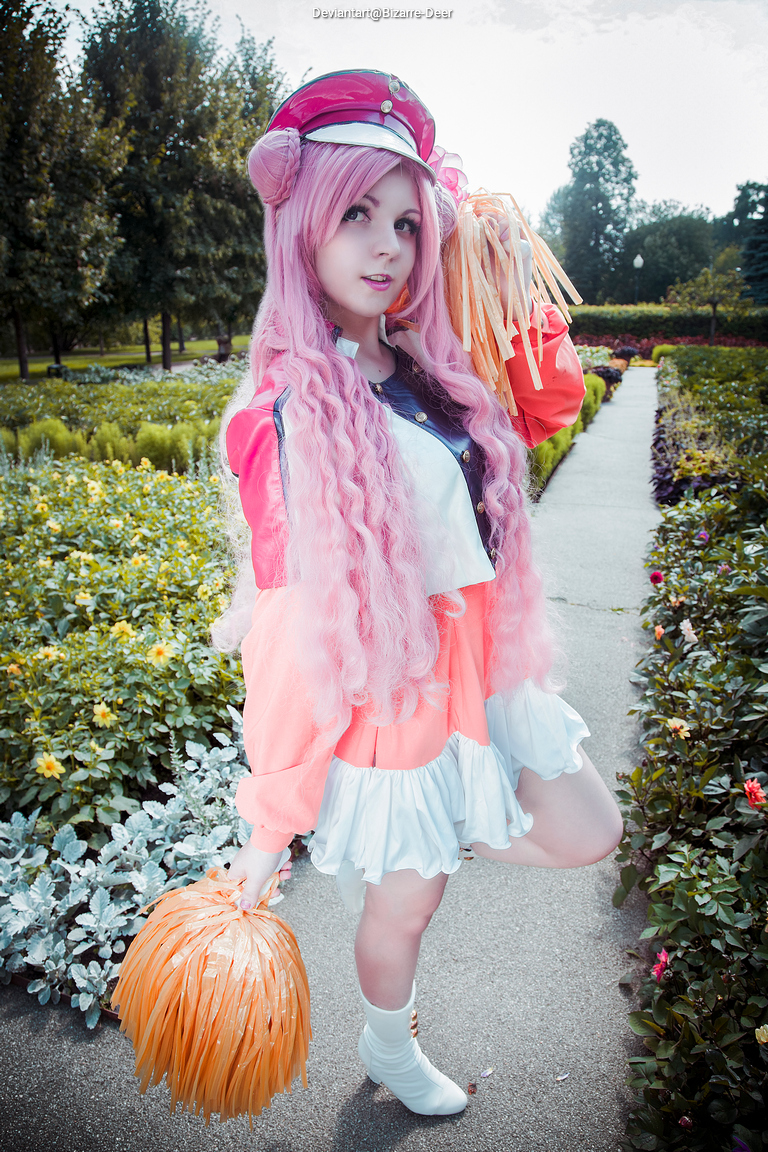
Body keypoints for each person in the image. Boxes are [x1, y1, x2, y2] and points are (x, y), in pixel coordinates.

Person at [219, 70, 623, 1117]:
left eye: (406, 220)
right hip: (396, 708)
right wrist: (272, 824)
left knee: (588, 828)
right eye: (356, 213)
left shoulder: (430, 368)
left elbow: (549, 398)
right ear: (301, 226)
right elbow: (291, 628)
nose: (388, 244)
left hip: (482, 674)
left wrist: (494, 267)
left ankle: (435, 832)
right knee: (407, 912)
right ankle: (389, 1045)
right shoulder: (283, 415)